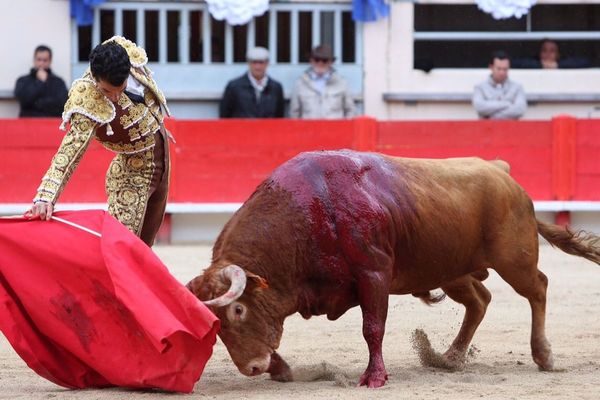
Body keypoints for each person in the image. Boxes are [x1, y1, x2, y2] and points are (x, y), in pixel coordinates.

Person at [25, 36, 172, 247]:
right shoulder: (87, 97)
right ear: (95, 78)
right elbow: (71, 148)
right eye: (106, 91)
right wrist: (45, 196)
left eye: (119, 89)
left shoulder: (125, 56)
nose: (113, 97)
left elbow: (149, 91)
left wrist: (156, 126)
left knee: (145, 246)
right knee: (122, 247)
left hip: (162, 161)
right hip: (132, 172)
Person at [290, 44, 355, 119]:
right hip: (308, 130)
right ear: (311, 61)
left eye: (324, 60)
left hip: (335, 129)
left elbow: (350, 110)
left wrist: (345, 129)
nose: (320, 63)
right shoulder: (300, 83)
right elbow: (294, 113)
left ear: (331, 62)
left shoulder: (342, 83)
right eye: (317, 60)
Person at [219, 47, 285, 118]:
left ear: (267, 63)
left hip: (267, 128)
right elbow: (225, 116)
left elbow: (279, 116)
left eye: (261, 62)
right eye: (254, 62)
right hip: (241, 128)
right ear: (248, 63)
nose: (257, 67)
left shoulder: (276, 87)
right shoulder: (234, 86)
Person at [14, 45, 68, 117]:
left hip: (51, 123)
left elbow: (62, 104)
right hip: (28, 123)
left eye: (45, 60)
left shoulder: (58, 82)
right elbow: (24, 101)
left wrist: (37, 103)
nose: (41, 63)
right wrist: (40, 83)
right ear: (34, 60)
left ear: (50, 61)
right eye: (39, 59)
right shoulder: (23, 80)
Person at [472, 51, 527, 120]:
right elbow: (479, 107)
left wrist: (491, 116)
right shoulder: (480, 87)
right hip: (487, 129)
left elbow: (520, 109)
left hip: (511, 129)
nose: (502, 72)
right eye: (499, 69)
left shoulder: (517, 87)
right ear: (491, 67)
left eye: (505, 69)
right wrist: (506, 104)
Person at [513, 39, 591, 69]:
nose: (548, 54)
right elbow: (514, 63)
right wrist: (540, 65)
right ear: (539, 53)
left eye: (552, 50)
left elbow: (585, 62)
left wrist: (558, 66)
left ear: (558, 54)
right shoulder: (533, 62)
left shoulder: (564, 63)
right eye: (544, 50)